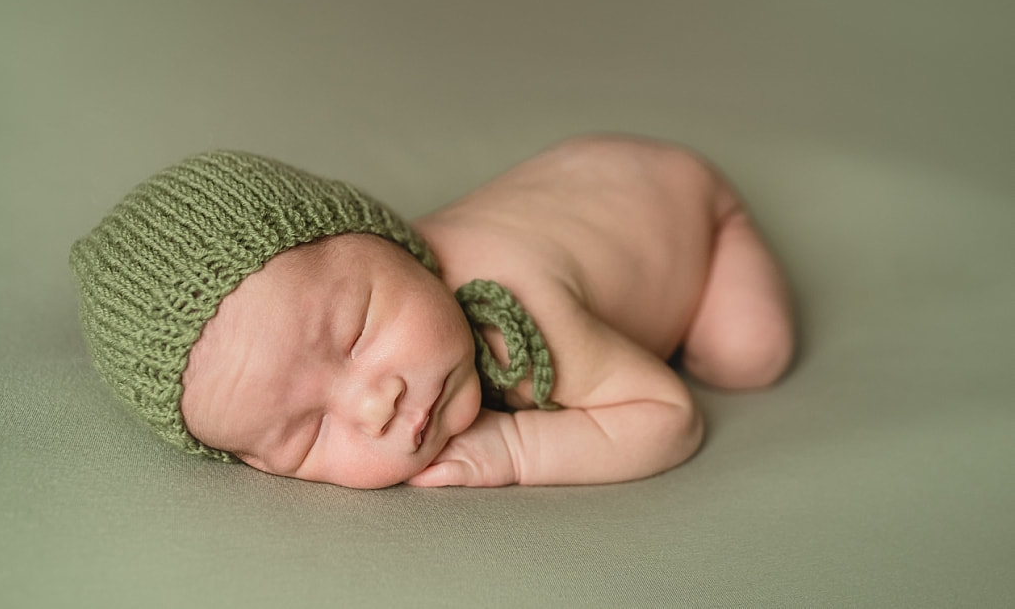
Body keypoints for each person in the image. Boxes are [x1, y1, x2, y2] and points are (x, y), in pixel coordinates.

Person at [70, 134, 794, 489]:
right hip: (580, 188)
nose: (372, 406)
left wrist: (516, 453)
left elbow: (669, 417)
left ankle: (719, 230)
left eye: (355, 333)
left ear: (389, 239)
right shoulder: (384, 289)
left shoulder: (513, 314)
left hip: (677, 200)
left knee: (743, 355)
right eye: (304, 433)